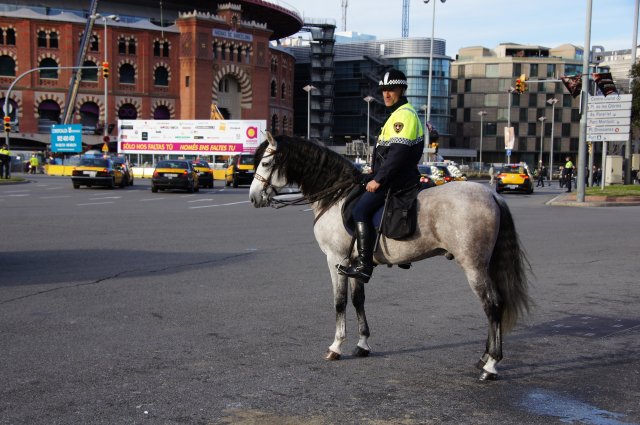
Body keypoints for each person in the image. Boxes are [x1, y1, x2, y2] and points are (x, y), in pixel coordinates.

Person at [337, 69, 424, 283]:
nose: (386, 94)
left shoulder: (404, 115)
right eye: (383, 90)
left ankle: (364, 265)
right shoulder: (396, 115)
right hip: (391, 176)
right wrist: (372, 173)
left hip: (397, 181)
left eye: (391, 90)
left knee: (360, 210)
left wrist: (379, 179)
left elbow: (398, 154)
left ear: (401, 90)